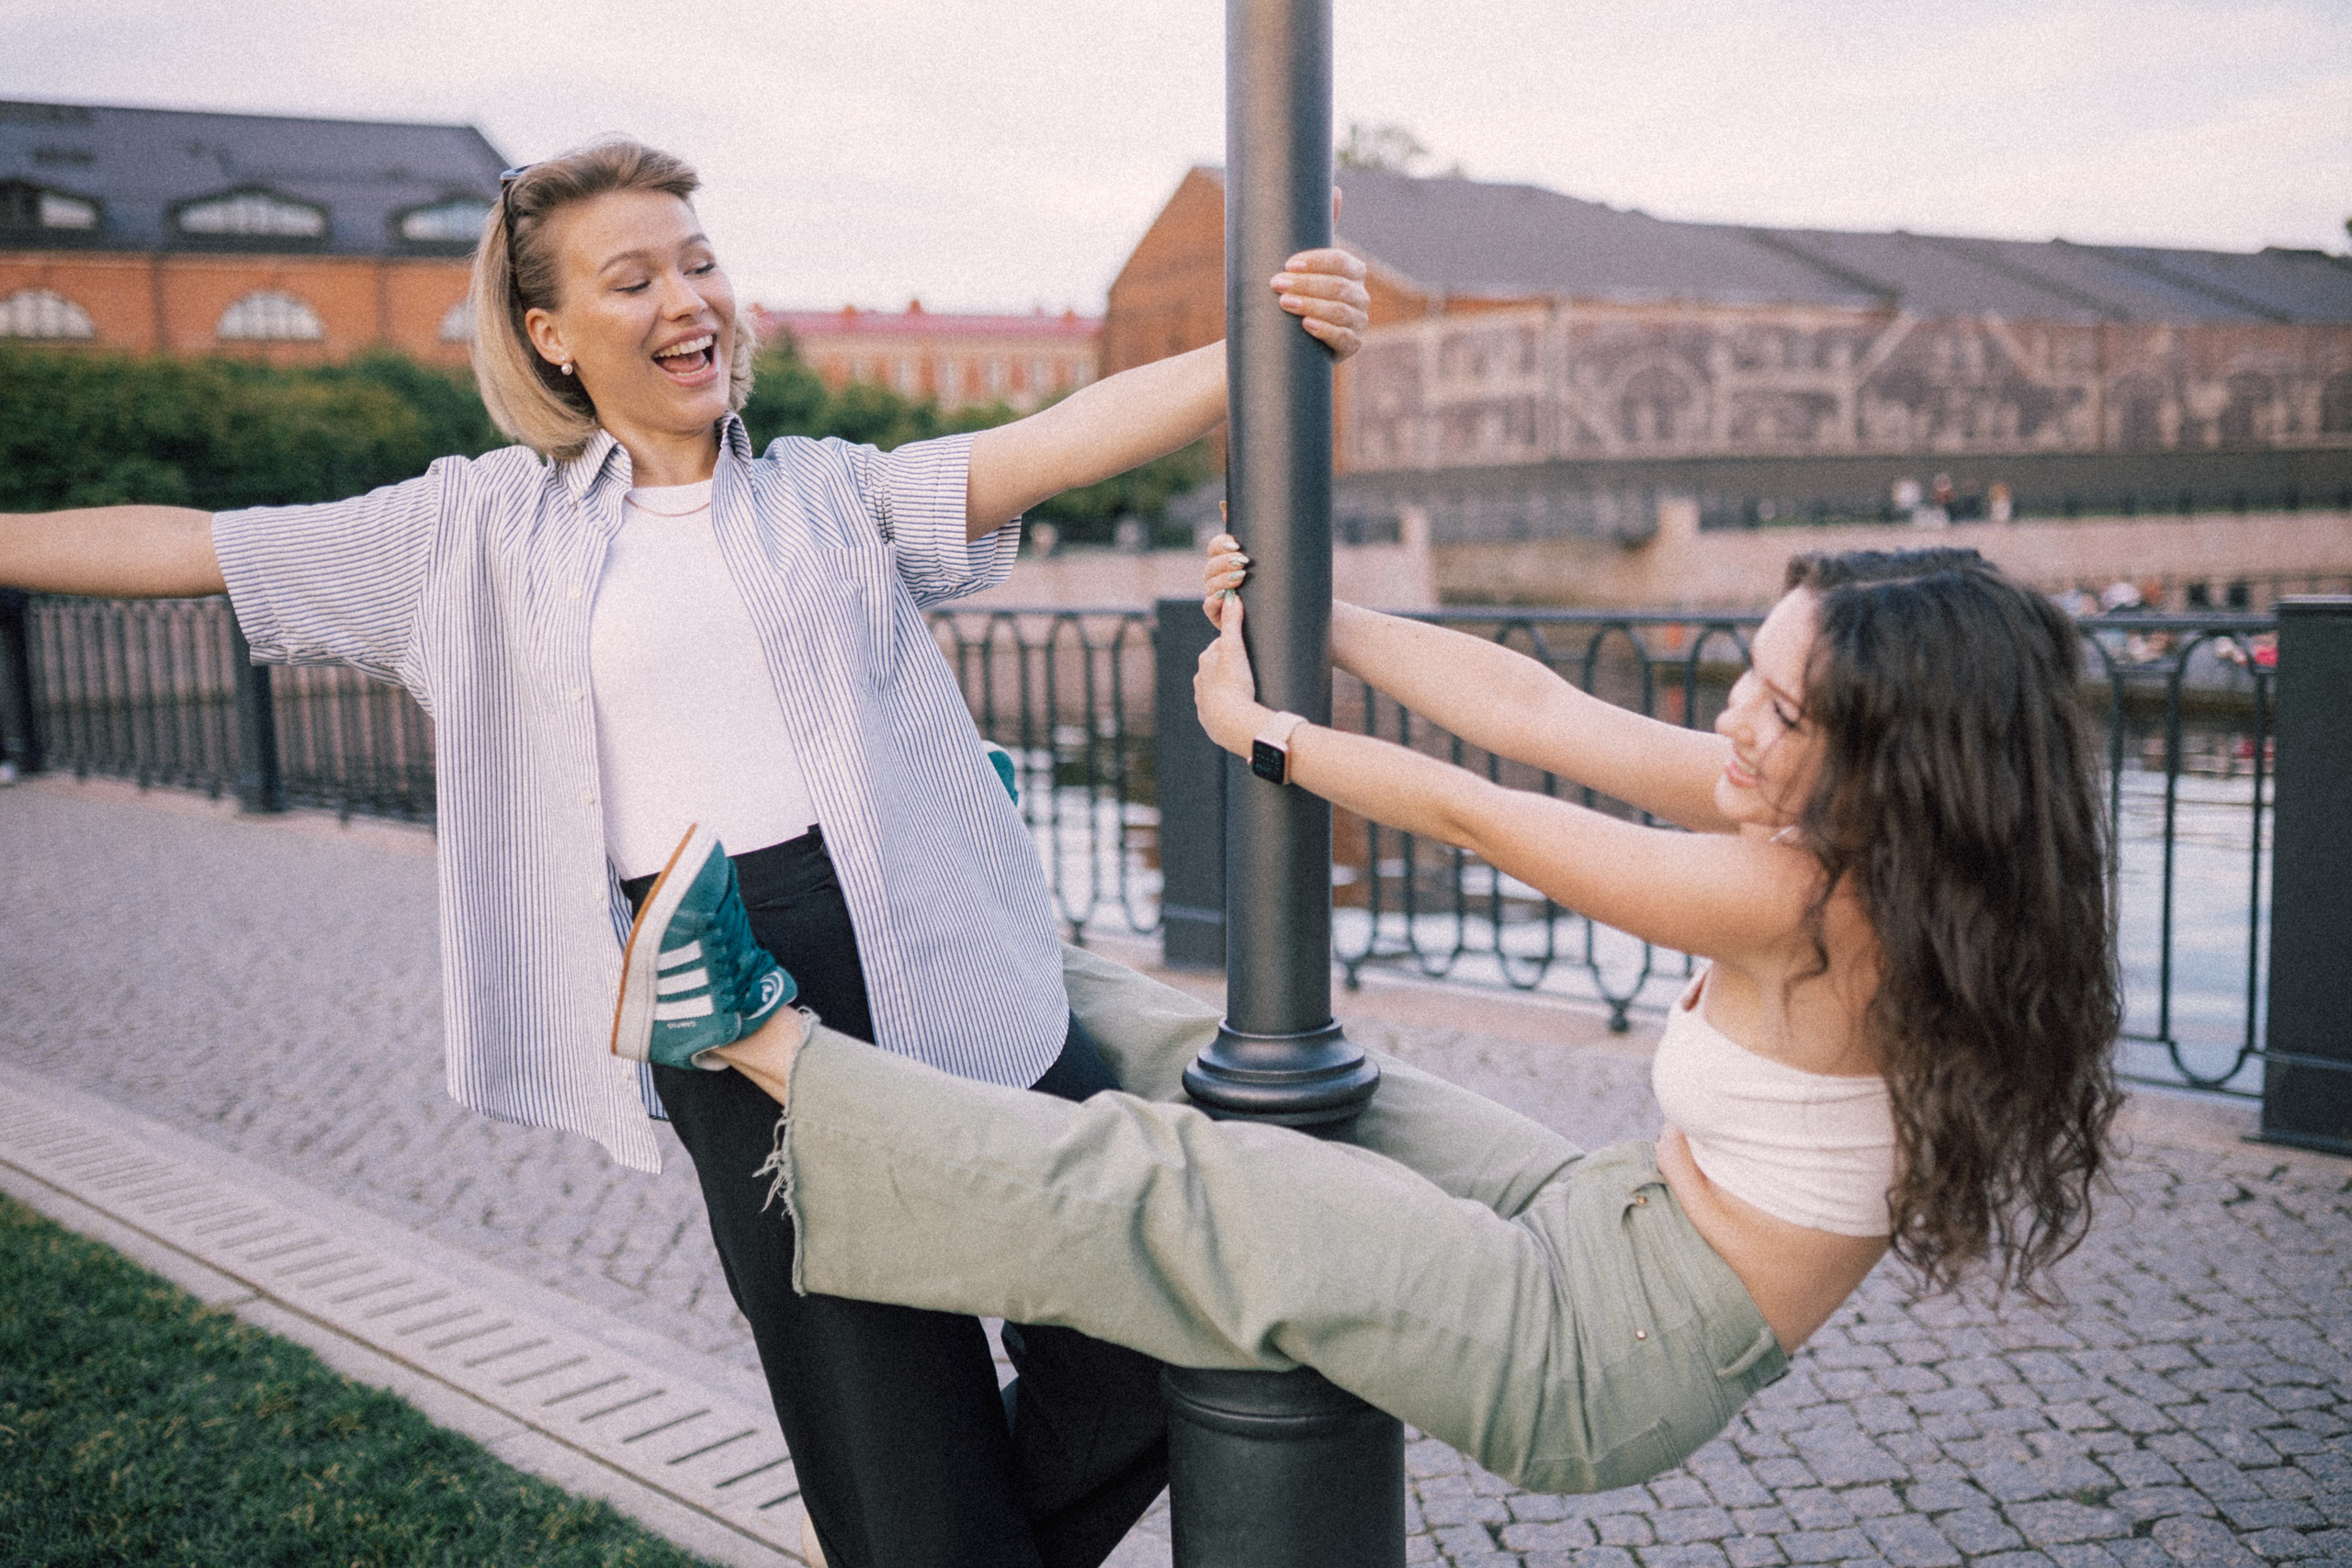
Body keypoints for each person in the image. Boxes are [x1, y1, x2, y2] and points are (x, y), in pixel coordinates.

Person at [0, 138, 1370, 1568]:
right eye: (634, 277)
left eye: (700, 263)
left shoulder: (830, 495)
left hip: (941, 959)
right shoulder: (475, 531)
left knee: (1165, 1316)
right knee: (895, 1432)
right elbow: (206, 545)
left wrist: (1256, 348)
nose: (686, 301)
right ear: (550, 334)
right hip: (731, 995)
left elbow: (1055, 437)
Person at [688, 542, 2123, 1495]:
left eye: (1784, 707)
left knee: (1206, 1182)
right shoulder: (1842, 817)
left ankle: (765, 1043)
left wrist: (1272, 736)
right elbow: (1538, 710)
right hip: (1610, 1218)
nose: (1738, 718)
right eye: (1747, 671)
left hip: (1609, 1351)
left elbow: (1480, 812)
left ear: (1898, 751)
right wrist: (1312, 619)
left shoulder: (1816, 900)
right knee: (1236, 1067)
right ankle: (975, 916)